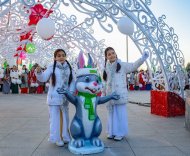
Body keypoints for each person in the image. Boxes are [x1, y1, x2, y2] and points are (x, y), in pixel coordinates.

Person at [103, 47, 149, 141]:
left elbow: (133, 66)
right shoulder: (105, 68)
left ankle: (120, 133)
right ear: (106, 57)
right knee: (111, 114)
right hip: (109, 95)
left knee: (120, 114)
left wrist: (142, 59)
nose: (112, 55)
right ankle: (111, 132)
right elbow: (105, 82)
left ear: (116, 54)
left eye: (113, 53)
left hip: (119, 94)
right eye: (109, 54)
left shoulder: (122, 65)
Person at [35, 49, 75, 147]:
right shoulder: (51, 67)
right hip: (54, 97)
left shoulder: (69, 68)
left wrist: (70, 92)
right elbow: (43, 78)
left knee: (65, 118)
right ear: (55, 57)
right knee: (55, 119)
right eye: (58, 55)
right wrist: (39, 72)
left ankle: (65, 136)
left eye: (63, 55)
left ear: (65, 56)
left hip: (65, 98)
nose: (61, 57)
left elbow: (73, 81)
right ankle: (57, 138)